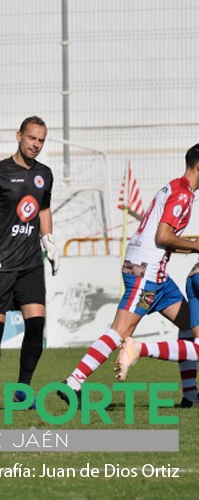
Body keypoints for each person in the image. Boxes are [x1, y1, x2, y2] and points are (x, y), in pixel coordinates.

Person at [93, 144, 199, 408]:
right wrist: (195, 245)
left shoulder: (173, 187)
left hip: (162, 280)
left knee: (186, 326)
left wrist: (190, 244)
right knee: (121, 330)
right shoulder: (183, 195)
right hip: (147, 274)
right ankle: (74, 380)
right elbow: (163, 236)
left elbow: (165, 238)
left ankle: (190, 394)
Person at [0, 116, 59, 413]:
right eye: (32, 138)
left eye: (41, 140)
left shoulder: (44, 174)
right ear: (19, 136)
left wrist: (48, 240)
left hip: (31, 264)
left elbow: (43, 208)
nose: (36, 145)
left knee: (36, 326)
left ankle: (22, 390)